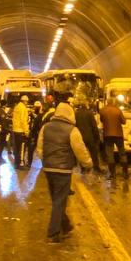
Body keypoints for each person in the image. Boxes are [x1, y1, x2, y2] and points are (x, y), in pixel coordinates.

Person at [37, 102, 93, 242]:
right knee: (59, 201)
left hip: (48, 169)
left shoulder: (46, 127)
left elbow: (40, 148)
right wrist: (88, 163)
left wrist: (45, 160)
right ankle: (53, 232)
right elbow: (80, 150)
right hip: (63, 170)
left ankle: (65, 225)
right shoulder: (72, 130)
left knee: (57, 199)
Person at [99, 93, 128, 179]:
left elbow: (101, 120)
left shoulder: (103, 110)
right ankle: (125, 173)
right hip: (118, 135)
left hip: (107, 135)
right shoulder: (118, 110)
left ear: (107, 102)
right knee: (122, 153)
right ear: (114, 102)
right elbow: (124, 122)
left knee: (109, 154)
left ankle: (112, 174)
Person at [72, 93, 102, 173]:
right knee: (93, 152)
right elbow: (94, 126)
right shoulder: (89, 113)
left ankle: (83, 168)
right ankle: (96, 167)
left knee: (82, 152)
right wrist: (97, 137)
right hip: (89, 137)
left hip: (80, 137)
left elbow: (74, 125)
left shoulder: (76, 113)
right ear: (86, 104)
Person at [9, 95, 31, 165]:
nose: (27, 103)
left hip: (15, 130)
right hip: (21, 130)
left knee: (17, 148)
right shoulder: (23, 108)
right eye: (26, 101)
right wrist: (26, 131)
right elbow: (23, 120)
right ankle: (19, 164)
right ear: (24, 101)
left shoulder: (17, 107)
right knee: (21, 148)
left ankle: (16, 162)